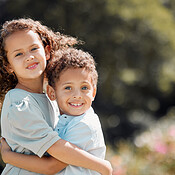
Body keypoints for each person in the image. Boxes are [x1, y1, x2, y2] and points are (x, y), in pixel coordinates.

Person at [0, 18, 112, 175]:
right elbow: (52, 165)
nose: (29, 57)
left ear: (46, 51)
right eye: (19, 53)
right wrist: (102, 166)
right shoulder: (19, 103)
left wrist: (9, 156)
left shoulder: (51, 98)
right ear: (9, 66)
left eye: (33, 49)